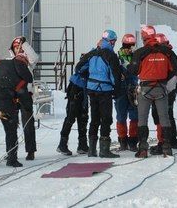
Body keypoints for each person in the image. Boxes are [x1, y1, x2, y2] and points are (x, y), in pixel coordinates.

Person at [0, 39, 35, 167]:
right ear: (24, 63)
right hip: (3, 101)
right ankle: (12, 158)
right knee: (11, 128)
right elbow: (23, 95)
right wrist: (28, 108)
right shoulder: (22, 73)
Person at [129, 26, 177, 158]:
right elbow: (174, 71)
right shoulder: (167, 52)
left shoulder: (140, 52)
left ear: (144, 37)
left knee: (142, 119)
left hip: (145, 89)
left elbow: (133, 71)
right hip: (161, 88)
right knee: (164, 118)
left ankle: (143, 148)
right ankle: (167, 147)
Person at [75, 30, 123, 158]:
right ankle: (104, 150)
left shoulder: (92, 52)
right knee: (106, 119)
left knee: (94, 119)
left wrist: (89, 78)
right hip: (105, 90)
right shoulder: (110, 55)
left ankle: (92, 150)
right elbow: (114, 75)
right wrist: (116, 89)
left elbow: (79, 68)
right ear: (111, 41)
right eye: (114, 41)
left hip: (91, 89)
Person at [8, 37, 39, 161]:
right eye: (16, 47)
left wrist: (24, 43)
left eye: (20, 47)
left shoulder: (29, 62)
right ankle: (11, 151)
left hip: (26, 96)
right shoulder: (9, 61)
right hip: (12, 97)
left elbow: (34, 57)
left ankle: (30, 150)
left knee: (28, 124)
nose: (18, 50)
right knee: (11, 125)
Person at [150, 33, 177, 153]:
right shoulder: (169, 54)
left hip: (165, 88)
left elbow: (172, 74)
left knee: (161, 115)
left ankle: (164, 141)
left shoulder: (165, 55)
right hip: (168, 87)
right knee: (168, 114)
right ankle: (171, 140)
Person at [114, 34, 139, 152]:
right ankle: (123, 141)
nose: (130, 48)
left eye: (132, 46)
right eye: (128, 46)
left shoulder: (137, 56)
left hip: (134, 88)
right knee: (121, 116)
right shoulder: (116, 57)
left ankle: (133, 141)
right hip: (121, 89)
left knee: (135, 115)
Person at [57, 71, 89, 156]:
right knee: (71, 118)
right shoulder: (88, 59)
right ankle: (62, 144)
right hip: (77, 88)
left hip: (82, 89)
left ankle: (82, 145)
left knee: (83, 117)